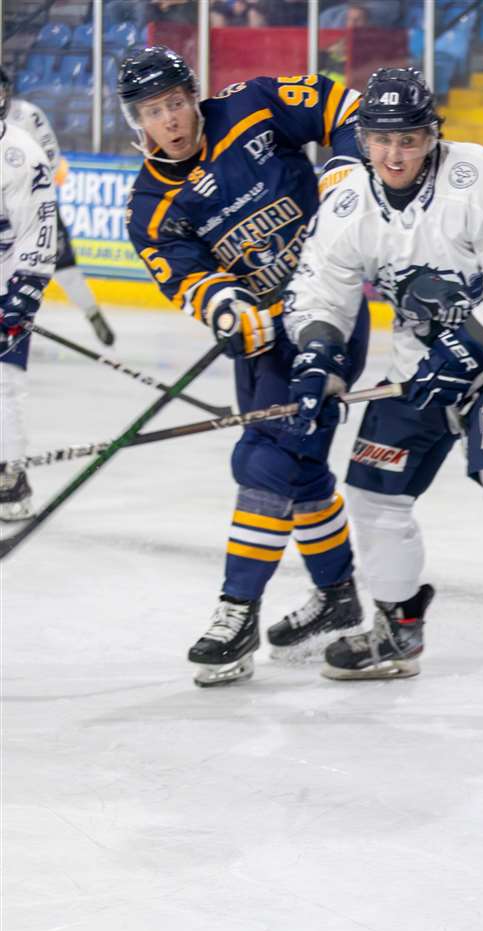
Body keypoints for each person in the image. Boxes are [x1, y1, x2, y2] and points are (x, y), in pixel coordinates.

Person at [283, 69, 483, 715]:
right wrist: (319, 362)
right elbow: (319, 293)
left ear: (432, 135)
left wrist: (464, 352)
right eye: (381, 140)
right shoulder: (350, 202)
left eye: (409, 138)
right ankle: (396, 630)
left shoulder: (482, 180)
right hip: (418, 369)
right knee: (372, 495)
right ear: (362, 138)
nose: (395, 154)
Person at [120, 46, 371, 687]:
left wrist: (344, 170)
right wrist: (226, 306)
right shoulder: (149, 204)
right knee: (298, 465)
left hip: (326, 310)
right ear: (138, 122)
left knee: (267, 460)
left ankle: (237, 614)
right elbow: (184, 277)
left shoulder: (251, 104)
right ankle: (338, 596)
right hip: (263, 339)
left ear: (192, 95)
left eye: (176, 102)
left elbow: (344, 106)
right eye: (155, 111)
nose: (171, 119)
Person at [0, 66, 116, 347]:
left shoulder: (27, 114)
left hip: (31, 205)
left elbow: (50, 153)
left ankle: (92, 313)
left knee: (62, 266)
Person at [0, 104, 59, 522]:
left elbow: (37, 230)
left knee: (3, 380)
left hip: (5, 280)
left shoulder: (21, 154)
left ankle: (8, 473)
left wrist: (21, 293)